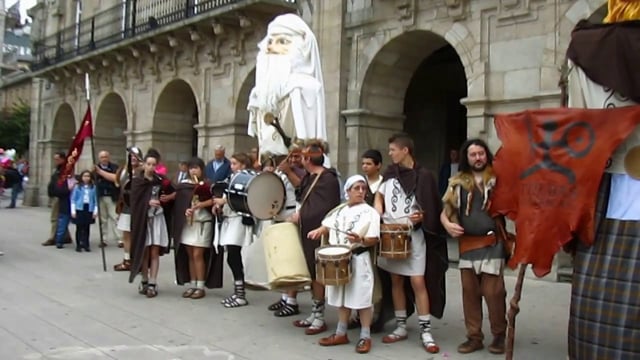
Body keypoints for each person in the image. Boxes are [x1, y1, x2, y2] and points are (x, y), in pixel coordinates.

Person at [374, 133, 447, 354]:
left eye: (393, 149)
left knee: (417, 281)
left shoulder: (424, 176)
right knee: (396, 280)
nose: (390, 153)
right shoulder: (390, 173)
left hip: (414, 236)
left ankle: (426, 330)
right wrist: (378, 210)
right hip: (391, 234)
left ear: (405, 150)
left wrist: (422, 216)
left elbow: (432, 207)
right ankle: (401, 326)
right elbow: (379, 195)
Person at [440, 138, 506, 354]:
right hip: (468, 245)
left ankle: (499, 334)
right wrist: (448, 224)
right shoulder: (457, 182)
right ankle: (474, 336)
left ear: (486, 154)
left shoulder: (499, 179)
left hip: (492, 243)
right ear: (466, 158)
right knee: (470, 293)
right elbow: (446, 211)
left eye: (481, 153)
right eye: (473, 154)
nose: (477, 158)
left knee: (493, 292)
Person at [307, 175, 381, 354]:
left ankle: (365, 336)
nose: (361, 192)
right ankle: (341, 333)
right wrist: (319, 230)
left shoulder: (370, 212)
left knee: (362, 300)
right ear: (347, 191)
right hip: (339, 260)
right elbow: (329, 225)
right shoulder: (340, 210)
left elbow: (374, 239)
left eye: (363, 188)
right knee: (342, 298)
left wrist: (360, 239)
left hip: (358, 258)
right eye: (356, 188)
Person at [247, 13, 327, 160]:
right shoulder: (259, 92)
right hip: (269, 161)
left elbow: (305, 134)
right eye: (270, 41)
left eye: (282, 41)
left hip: (297, 161)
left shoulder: (306, 86)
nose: (272, 48)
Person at [287, 142, 341, 334]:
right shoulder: (311, 177)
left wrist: (301, 216)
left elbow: (325, 208)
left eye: (302, 156)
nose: (300, 159)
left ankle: (319, 317)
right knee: (311, 273)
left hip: (319, 233)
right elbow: (304, 197)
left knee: (318, 275)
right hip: (307, 232)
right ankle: (315, 312)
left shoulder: (328, 179)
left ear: (308, 159)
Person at [173, 157, 223, 299]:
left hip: (203, 222)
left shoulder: (208, 184)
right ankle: (192, 284)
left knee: (198, 254)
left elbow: (215, 199)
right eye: (191, 168)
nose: (193, 170)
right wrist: (185, 210)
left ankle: (200, 286)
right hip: (189, 224)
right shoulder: (184, 185)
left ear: (202, 169)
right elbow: (179, 204)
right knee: (189, 254)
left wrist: (201, 204)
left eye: (196, 167)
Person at [128, 151, 175, 298]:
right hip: (143, 219)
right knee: (145, 251)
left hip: (157, 218)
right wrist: (147, 202)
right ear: (144, 164)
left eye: (154, 164)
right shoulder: (137, 181)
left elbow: (174, 192)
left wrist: (166, 198)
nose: (151, 167)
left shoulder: (160, 180)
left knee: (155, 251)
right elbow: (133, 200)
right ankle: (144, 279)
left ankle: (153, 282)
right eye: (148, 164)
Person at [213, 152, 256, 308]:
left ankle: (240, 295)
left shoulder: (249, 177)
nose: (232, 167)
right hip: (229, 220)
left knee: (233, 255)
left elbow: (241, 196)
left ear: (243, 165)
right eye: (231, 164)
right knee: (232, 256)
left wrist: (223, 200)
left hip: (239, 220)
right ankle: (238, 292)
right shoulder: (232, 178)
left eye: (235, 164)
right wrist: (218, 205)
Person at [97, 147, 144, 271]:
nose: (133, 158)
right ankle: (127, 260)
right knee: (126, 234)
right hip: (126, 205)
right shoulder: (123, 170)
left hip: (140, 207)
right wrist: (100, 172)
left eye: (136, 156)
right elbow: (115, 179)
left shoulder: (144, 171)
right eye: (131, 156)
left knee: (138, 235)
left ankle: (139, 261)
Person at [43, 152, 72, 246]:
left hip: (61, 195)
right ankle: (66, 236)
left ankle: (53, 238)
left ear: (63, 159)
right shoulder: (57, 169)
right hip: (56, 194)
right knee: (61, 217)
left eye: (57, 159)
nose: (55, 161)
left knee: (55, 218)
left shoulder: (65, 169)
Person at [95, 151, 121, 247]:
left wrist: (101, 173)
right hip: (101, 196)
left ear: (109, 157)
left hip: (112, 196)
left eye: (106, 156)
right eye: (102, 157)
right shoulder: (95, 168)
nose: (104, 159)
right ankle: (103, 239)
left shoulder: (114, 167)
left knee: (115, 218)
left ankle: (120, 239)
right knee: (103, 219)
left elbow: (116, 179)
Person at [70, 170, 98, 252]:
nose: (86, 178)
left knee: (87, 227)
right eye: (85, 176)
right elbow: (73, 199)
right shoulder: (77, 187)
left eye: (88, 176)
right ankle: (79, 244)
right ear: (81, 177)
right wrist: (73, 211)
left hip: (89, 208)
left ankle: (86, 244)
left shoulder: (93, 187)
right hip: (79, 208)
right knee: (79, 227)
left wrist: (95, 211)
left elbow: (95, 200)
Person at [51, 172, 77, 249]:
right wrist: (68, 189)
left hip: (77, 205)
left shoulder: (78, 179)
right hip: (65, 204)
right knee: (62, 224)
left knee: (81, 225)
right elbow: (57, 191)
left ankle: (82, 242)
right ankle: (59, 241)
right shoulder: (62, 180)